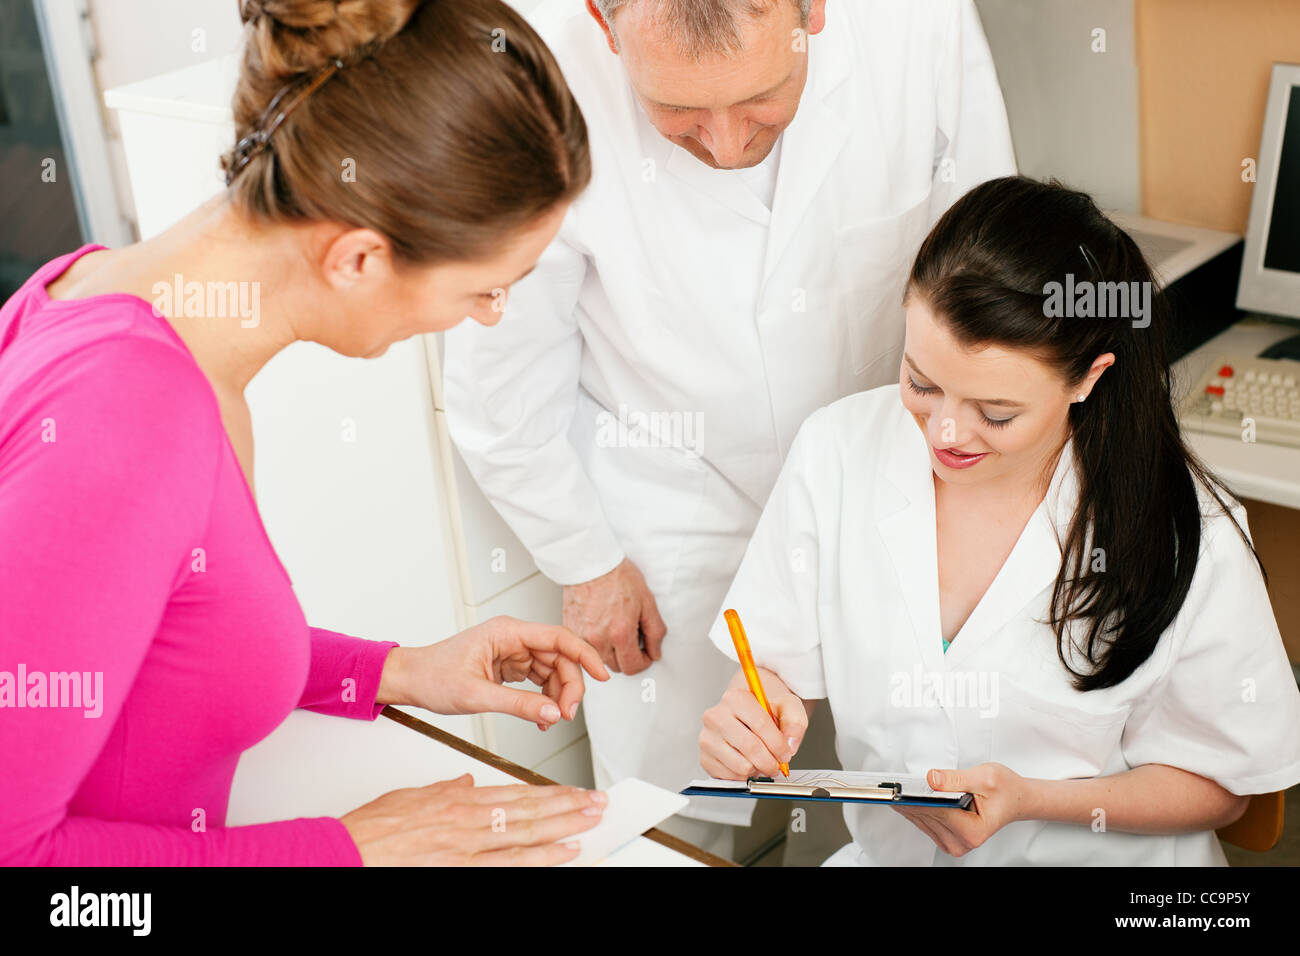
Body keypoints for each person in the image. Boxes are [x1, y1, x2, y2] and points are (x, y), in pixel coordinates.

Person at [0, 0, 612, 866]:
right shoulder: (129, 418)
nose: (488, 317)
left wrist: (396, 671)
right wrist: (346, 850)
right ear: (358, 258)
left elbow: (151, 636)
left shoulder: (103, 292)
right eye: (484, 289)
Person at [443, 0, 1016, 857]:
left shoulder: (916, 20)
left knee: (896, 796)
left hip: (893, 478)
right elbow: (500, 373)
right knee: (664, 816)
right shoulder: (526, 72)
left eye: (760, 101)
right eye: (676, 113)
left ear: (812, 11)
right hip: (670, 500)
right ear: (604, 19)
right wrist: (584, 558)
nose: (725, 145)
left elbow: (993, 241)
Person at [699, 175, 1300, 866]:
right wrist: (752, 712)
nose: (946, 430)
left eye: (997, 412)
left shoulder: (1183, 529)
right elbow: (773, 666)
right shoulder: (837, 450)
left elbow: (1225, 788)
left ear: (1087, 378)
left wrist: (1033, 799)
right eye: (922, 382)